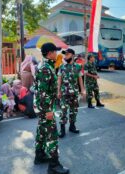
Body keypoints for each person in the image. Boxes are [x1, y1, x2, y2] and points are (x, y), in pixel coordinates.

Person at [33, 43, 69, 174]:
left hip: (44, 106)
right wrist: (48, 110)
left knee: (42, 131)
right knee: (52, 135)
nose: (57, 54)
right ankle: (54, 165)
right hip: (45, 107)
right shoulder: (45, 68)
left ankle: (40, 155)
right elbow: (42, 92)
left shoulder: (47, 66)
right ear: (49, 53)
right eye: (55, 51)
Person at [58, 49, 85, 138]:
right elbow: (59, 79)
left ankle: (72, 127)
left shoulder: (78, 66)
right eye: (65, 54)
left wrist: (82, 90)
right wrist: (58, 91)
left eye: (67, 54)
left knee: (74, 110)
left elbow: (80, 78)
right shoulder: (61, 66)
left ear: (73, 55)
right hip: (64, 93)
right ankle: (62, 130)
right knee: (63, 111)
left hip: (75, 93)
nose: (65, 56)